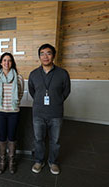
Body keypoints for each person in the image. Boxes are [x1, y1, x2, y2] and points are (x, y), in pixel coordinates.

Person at [28, 43, 70, 175]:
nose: (45, 56)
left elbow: (66, 91)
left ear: (53, 56)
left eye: (48, 53)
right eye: (42, 54)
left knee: (55, 140)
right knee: (38, 139)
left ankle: (53, 162)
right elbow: (32, 91)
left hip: (56, 113)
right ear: (39, 57)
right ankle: (39, 160)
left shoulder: (62, 73)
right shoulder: (34, 74)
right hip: (38, 113)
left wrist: (56, 101)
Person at [0, 52, 24, 174]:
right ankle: (2, 161)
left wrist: (14, 105)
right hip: (0, 112)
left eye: (9, 60)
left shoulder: (18, 78)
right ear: (0, 63)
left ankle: (11, 161)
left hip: (13, 112)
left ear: (12, 63)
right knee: (2, 137)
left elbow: (20, 94)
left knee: (12, 137)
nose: (6, 63)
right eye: (4, 60)